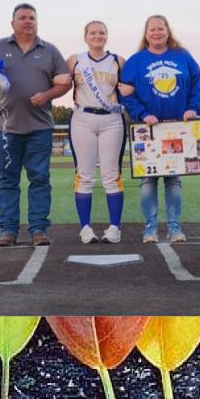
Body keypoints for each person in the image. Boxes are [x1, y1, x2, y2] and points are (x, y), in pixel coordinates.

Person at [0, 3, 71, 247]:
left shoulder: (50, 50)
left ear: (37, 22)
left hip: (39, 128)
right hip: (5, 128)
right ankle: (8, 231)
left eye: (32, 18)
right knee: (7, 180)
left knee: (39, 179)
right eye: (22, 18)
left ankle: (38, 229)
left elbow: (65, 82)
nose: (27, 21)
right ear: (13, 23)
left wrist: (47, 95)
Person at [119, 15, 200, 243]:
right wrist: (142, 114)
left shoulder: (183, 57)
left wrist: (193, 108)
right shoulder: (136, 61)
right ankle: (150, 228)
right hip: (148, 130)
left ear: (168, 31)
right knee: (148, 181)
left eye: (161, 28)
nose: (156, 32)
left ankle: (174, 227)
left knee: (173, 181)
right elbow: (125, 94)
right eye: (152, 29)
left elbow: (197, 86)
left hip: (177, 128)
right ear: (145, 33)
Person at [65, 21, 132, 243]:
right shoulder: (75, 60)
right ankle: (85, 228)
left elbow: (132, 86)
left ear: (107, 36)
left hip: (112, 119)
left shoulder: (117, 61)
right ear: (86, 37)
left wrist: (131, 89)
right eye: (93, 33)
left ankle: (115, 228)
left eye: (101, 32)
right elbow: (60, 82)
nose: (97, 36)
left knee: (111, 175)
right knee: (84, 175)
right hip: (82, 118)